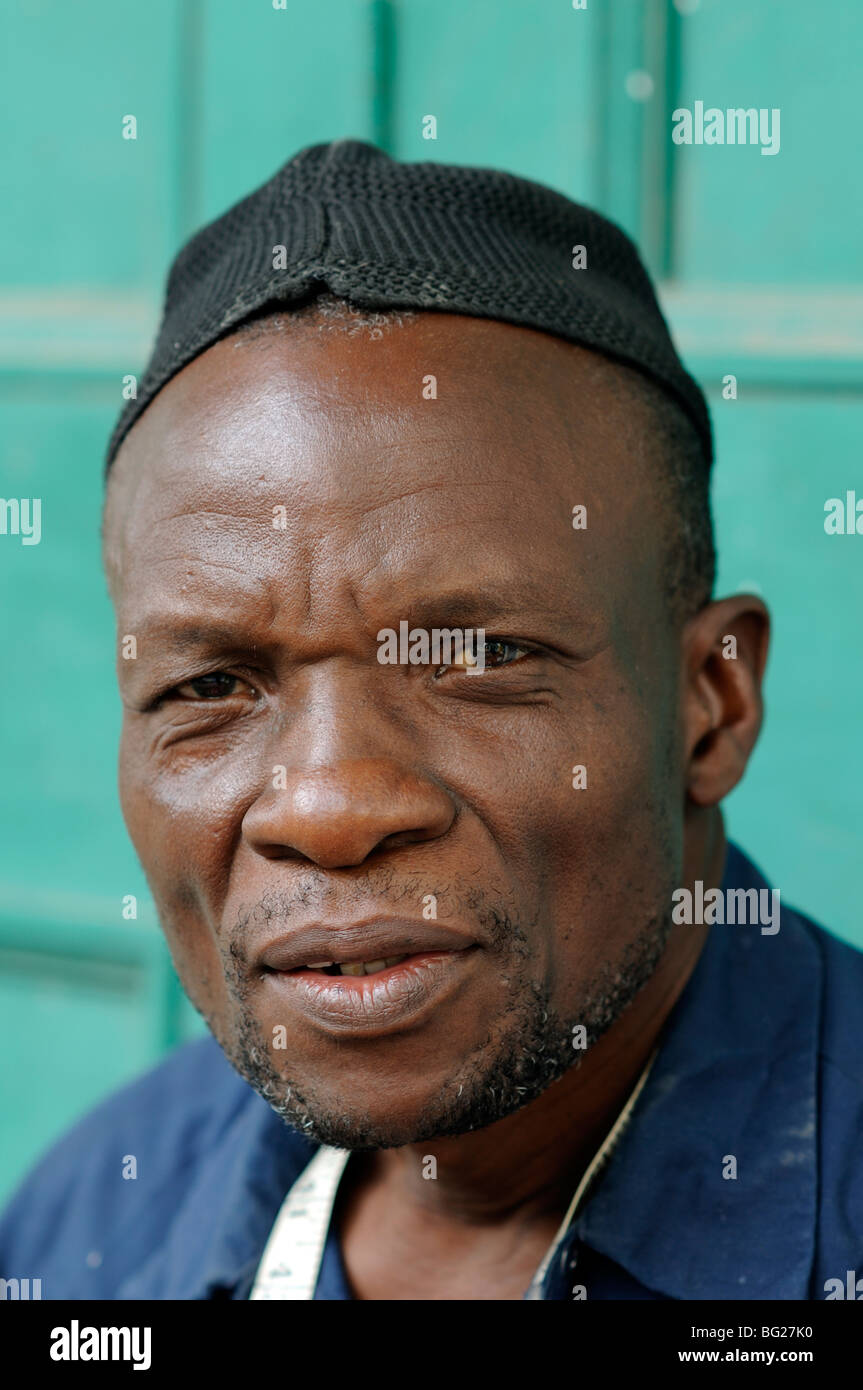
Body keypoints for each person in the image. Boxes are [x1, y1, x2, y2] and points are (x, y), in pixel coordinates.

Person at [2, 139, 860, 1301]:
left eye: (477, 657)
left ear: (710, 704)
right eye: (210, 688)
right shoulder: (91, 1228)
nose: (329, 808)